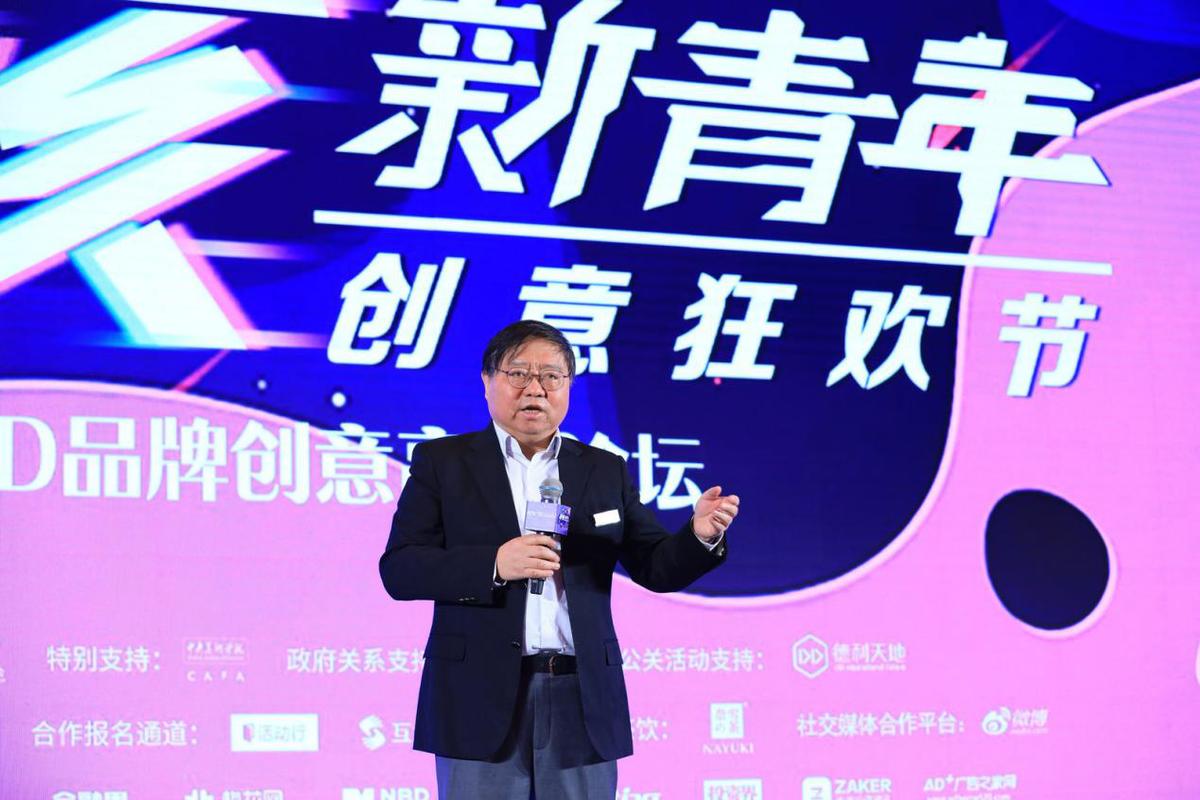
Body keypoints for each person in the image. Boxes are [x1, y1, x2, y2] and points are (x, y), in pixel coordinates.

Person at [379, 320, 739, 799]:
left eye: (551, 376)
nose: (536, 389)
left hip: (580, 698)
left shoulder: (603, 469)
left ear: (567, 386)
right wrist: (494, 565)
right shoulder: (444, 463)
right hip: (477, 697)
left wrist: (699, 535)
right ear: (487, 381)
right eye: (518, 374)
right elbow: (400, 568)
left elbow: (655, 565)